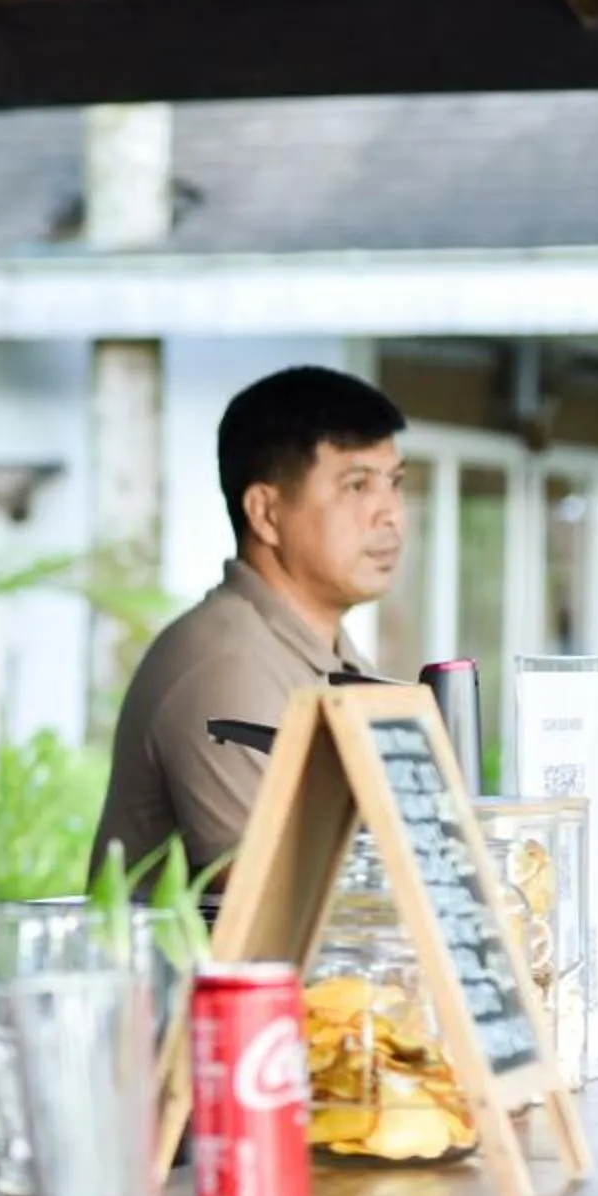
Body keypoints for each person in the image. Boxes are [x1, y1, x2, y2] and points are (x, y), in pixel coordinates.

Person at [91, 366, 407, 881]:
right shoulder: (226, 667)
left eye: (394, 483)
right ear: (265, 512)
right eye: (356, 485)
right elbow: (277, 902)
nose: (391, 513)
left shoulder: (329, 655)